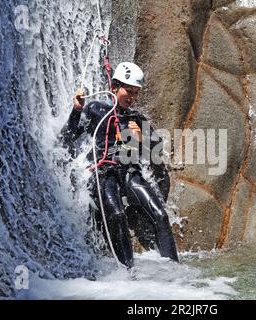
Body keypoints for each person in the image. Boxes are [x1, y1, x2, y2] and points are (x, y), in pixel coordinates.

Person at [60, 62, 179, 269]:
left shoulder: (136, 118)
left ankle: (175, 270)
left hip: (129, 172)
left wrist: (142, 139)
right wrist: (76, 111)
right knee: (116, 215)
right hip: (103, 173)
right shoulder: (96, 109)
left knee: (160, 215)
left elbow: (157, 151)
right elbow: (67, 138)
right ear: (114, 87)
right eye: (128, 91)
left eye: (136, 92)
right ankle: (128, 272)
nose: (132, 97)